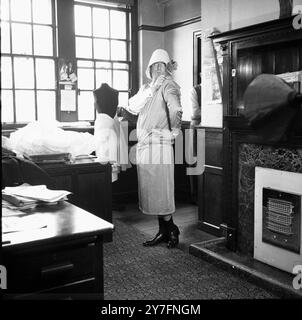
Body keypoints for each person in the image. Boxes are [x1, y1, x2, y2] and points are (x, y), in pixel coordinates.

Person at [125, 48, 183, 249]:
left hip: (159, 147)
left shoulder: (169, 85)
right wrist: (150, 90)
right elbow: (132, 106)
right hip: (145, 147)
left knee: (162, 193)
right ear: (149, 68)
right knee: (153, 194)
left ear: (167, 68)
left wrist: (174, 132)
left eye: (162, 65)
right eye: (155, 65)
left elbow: (176, 109)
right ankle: (163, 231)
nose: (158, 69)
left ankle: (172, 229)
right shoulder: (147, 88)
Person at [188, 79, 201, 204]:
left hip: (210, 128)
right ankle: (195, 195)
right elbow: (195, 113)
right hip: (196, 128)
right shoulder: (195, 90)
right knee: (194, 160)